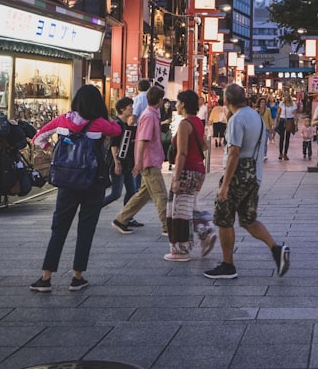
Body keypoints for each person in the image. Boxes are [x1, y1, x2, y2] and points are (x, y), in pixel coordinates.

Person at [29, 85, 121, 292]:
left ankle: (46, 277)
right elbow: (117, 130)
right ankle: (77, 277)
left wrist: (54, 151)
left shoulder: (63, 120)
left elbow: (38, 138)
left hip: (67, 180)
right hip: (93, 181)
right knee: (86, 228)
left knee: (59, 228)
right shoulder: (99, 124)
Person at [205, 83, 290, 280]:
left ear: (226, 100)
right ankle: (277, 250)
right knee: (248, 219)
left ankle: (228, 265)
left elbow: (234, 151)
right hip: (254, 174)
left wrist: (225, 185)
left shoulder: (237, 120)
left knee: (224, 219)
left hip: (237, 174)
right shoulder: (255, 117)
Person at [165, 90, 217, 262]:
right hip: (198, 170)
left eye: (178, 102)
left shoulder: (184, 124)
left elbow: (182, 153)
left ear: (184, 104)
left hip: (186, 170)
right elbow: (204, 146)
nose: (176, 106)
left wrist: (176, 178)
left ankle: (181, 250)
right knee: (189, 205)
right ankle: (206, 231)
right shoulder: (198, 123)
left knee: (179, 210)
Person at [112, 85, 169, 236]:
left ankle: (121, 219)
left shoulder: (151, 115)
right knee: (161, 195)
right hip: (149, 162)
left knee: (143, 194)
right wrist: (139, 163)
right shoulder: (149, 116)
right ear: (159, 100)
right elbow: (143, 140)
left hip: (150, 160)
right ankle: (167, 226)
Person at [101, 98, 143, 229]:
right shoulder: (117, 124)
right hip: (118, 163)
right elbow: (114, 146)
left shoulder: (126, 124)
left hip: (127, 163)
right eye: (130, 106)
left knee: (132, 191)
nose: (132, 108)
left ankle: (126, 217)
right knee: (116, 193)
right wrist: (117, 163)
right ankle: (93, 208)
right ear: (122, 109)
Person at [276, 90, 298, 160]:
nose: (285, 97)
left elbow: (295, 114)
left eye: (286, 96)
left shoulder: (293, 104)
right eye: (284, 96)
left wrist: (296, 124)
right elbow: (278, 113)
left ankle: (285, 153)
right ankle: (280, 153)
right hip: (282, 120)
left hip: (290, 120)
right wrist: (276, 122)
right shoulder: (281, 103)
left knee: (287, 138)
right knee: (281, 137)